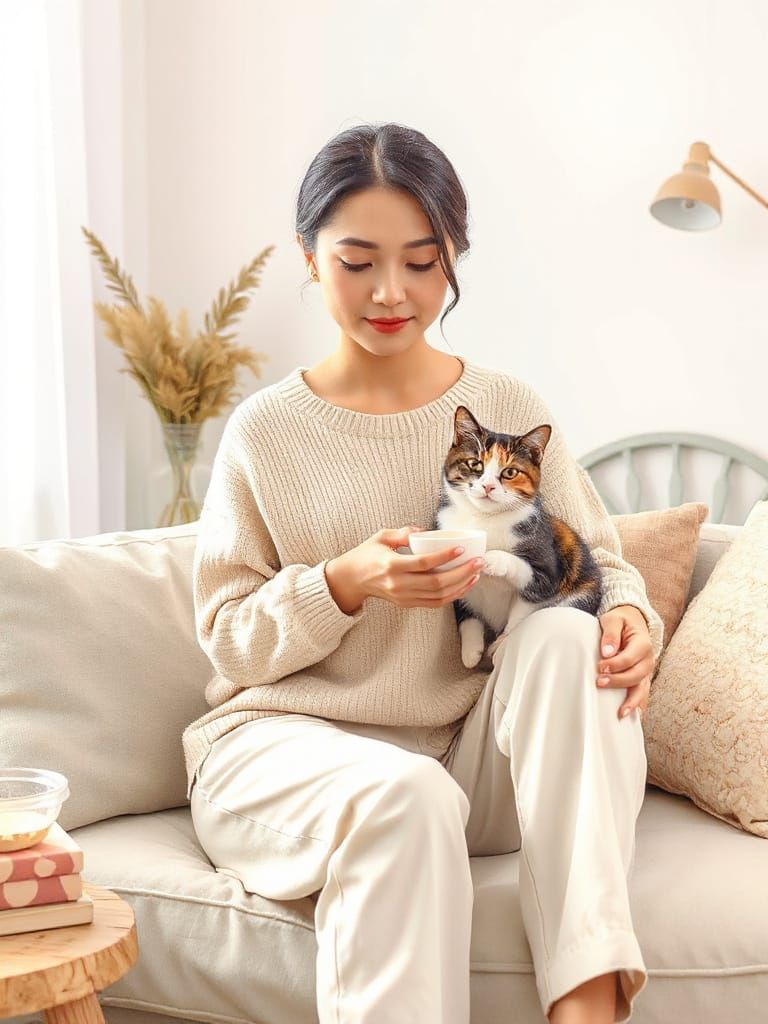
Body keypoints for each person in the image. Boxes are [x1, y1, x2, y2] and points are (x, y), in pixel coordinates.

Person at [183, 122, 664, 1024]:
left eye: (422, 260)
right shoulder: (264, 432)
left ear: (453, 258)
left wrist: (633, 619)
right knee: (405, 797)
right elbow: (228, 639)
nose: (392, 292)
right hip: (287, 750)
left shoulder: (510, 411)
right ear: (309, 257)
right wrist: (342, 584)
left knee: (569, 630)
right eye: (358, 261)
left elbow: (603, 564)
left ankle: (589, 1003)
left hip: (462, 760)